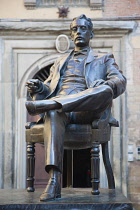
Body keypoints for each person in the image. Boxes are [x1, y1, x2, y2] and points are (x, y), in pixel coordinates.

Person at [25, 14, 126, 201]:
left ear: (91, 33)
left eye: (83, 28)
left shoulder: (104, 59)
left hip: (87, 110)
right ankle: (54, 181)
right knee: (55, 111)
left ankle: (52, 105)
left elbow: (120, 81)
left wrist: (105, 83)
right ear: (71, 35)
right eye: (75, 29)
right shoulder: (59, 62)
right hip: (63, 110)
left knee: (104, 90)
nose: (78, 31)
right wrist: (39, 88)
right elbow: (48, 87)